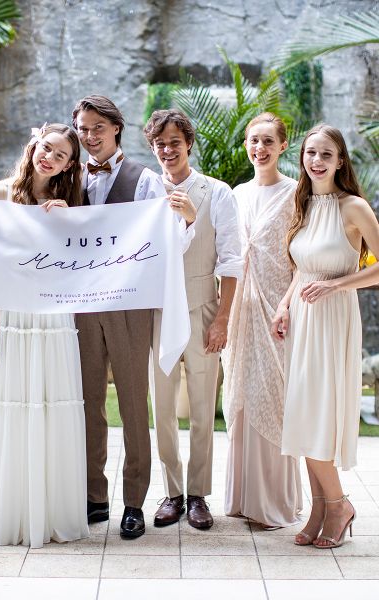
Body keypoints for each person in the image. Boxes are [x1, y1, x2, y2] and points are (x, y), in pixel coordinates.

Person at [72, 96, 189, 539]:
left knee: (134, 404)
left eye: (97, 128)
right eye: (83, 129)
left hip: (128, 305)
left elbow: (169, 240)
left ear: (116, 128)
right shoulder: (70, 177)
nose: (89, 137)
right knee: (87, 402)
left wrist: (186, 221)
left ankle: (134, 502)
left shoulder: (145, 181)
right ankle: (94, 496)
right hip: (81, 306)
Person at [0, 123, 89, 548]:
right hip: (11, 316)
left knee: (48, 405)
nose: (49, 158)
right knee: (12, 405)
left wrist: (66, 224)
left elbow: (79, 266)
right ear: (34, 145)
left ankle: (51, 512)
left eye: (60, 155)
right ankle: (12, 513)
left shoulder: (70, 204)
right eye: (46, 148)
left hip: (53, 318)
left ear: (69, 165)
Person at [272, 124, 379, 548]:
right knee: (302, 416)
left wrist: (336, 285)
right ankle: (320, 508)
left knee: (317, 415)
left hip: (333, 319)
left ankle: (338, 505)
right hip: (302, 318)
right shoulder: (303, 204)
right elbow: (301, 270)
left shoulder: (353, 207)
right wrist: (284, 306)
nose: (316, 161)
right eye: (310, 153)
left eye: (326, 154)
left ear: (340, 161)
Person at [143, 109, 242, 530]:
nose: (168, 150)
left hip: (202, 307)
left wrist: (222, 319)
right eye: (160, 144)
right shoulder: (144, 191)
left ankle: (199, 494)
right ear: (152, 147)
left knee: (203, 408)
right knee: (162, 407)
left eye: (175, 143)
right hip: (157, 312)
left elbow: (232, 261)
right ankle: (172, 493)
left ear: (189, 144)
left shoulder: (217, 192)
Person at [222, 113, 302, 528]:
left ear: (283, 145)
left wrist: (286, 305)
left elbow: (302, 258)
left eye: (269, 141)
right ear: (246, 145)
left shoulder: (297, 193)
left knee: (273, 395)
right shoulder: (236, 194)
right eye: (254, 140)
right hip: (240, 310)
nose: (260, 148)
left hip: (277, 308)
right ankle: (242, 497)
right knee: (240, 396)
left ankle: (273, 501)